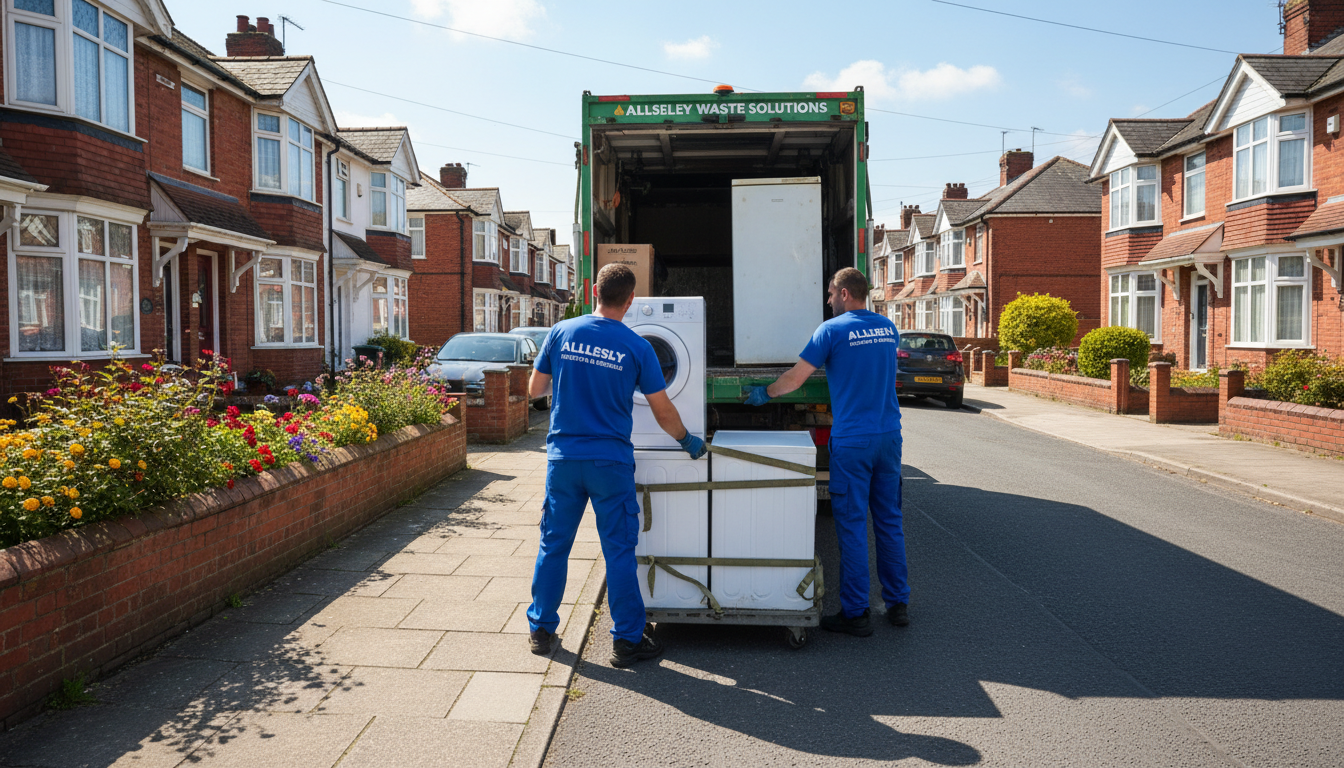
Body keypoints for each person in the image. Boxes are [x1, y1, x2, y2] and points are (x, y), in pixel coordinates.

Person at [526, 263, 706, 667]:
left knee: (553, 545)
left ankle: (540, 629)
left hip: (564, 461)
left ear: (593, 290)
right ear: (630, 301)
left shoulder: (561, 332)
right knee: (619, 552)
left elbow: (534, 389)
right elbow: (662, 410)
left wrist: (572, 378)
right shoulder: (637, 346)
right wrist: (688, 442)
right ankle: (626, 642)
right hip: (610, 463)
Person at [743, 267, 907, 636]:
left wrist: (765, 393)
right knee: (889, 522)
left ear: (846, 293)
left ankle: (856, 613)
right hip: (889, 437)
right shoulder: (887, 328)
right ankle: (898, 604)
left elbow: (796, 378)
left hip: (853, 441)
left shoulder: (831, 331)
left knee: (850, 526)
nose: (828, 300)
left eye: (832, 294)